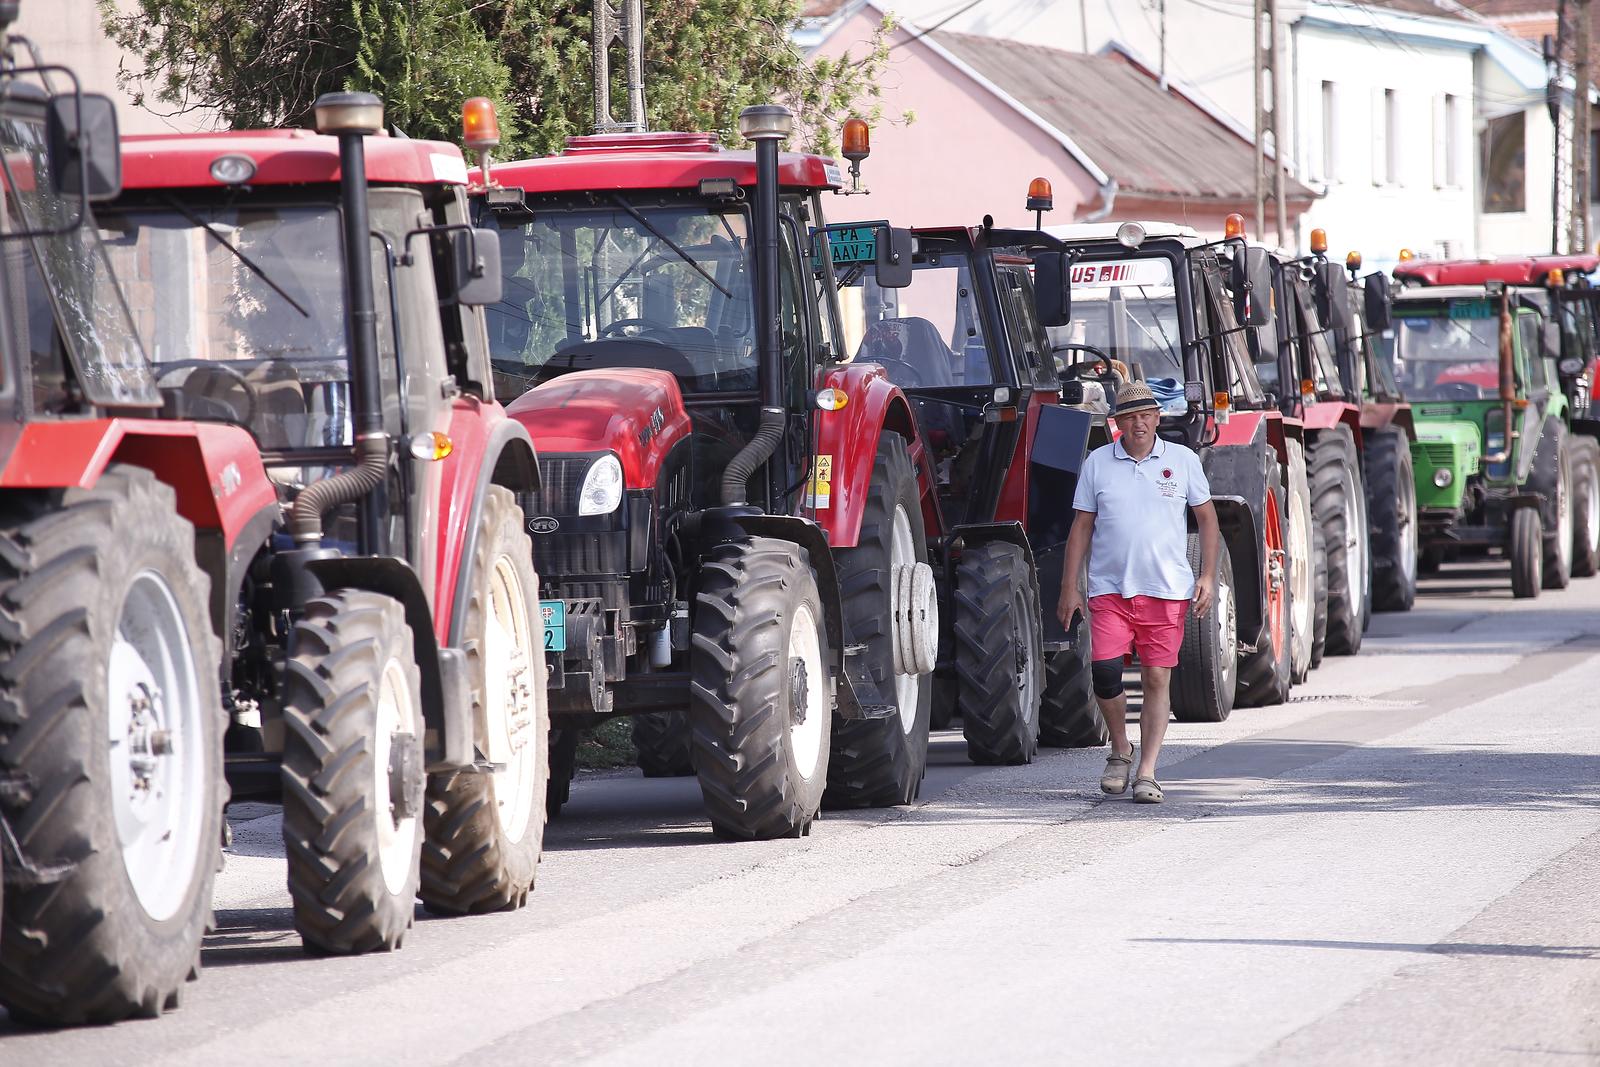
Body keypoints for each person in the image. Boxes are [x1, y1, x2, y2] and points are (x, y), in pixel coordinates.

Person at [1056, 381, 1219, 804]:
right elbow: (1081, 527)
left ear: (1157, 418)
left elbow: (1207, 519)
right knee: (1105, 674)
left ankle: (1147, 770)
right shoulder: (1098, 462)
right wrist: (1069, 587)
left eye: (1145, 415)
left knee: (1155, 677)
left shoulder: (1182, 461)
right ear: (1118, 423)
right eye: (1129, 417)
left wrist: (1207, 576)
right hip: (1110, 589)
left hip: (1166, 590)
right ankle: (1119, 747)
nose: (1139, 423)